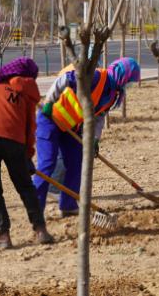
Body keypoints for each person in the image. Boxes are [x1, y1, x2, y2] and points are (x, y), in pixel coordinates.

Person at [33, 57, 141, 215]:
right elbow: (64, 79)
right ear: (123, 75)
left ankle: (68, 206)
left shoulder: (113, 94)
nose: (129, 85)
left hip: (71, 125)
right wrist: (49, 101)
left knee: (77, 161)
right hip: (50, 118)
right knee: (48, 163)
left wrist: (94, 140)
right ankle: (35, 210)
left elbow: (99, 117)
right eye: (130, 80)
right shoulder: (96, 77)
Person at [0, 57, 54, 248]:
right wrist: (27, 154)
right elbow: (30, 126)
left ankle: (3, 236)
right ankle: (40, 230)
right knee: (25, 186)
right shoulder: (29, 90)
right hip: (14, 141)